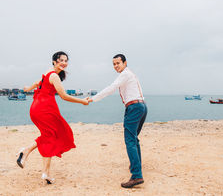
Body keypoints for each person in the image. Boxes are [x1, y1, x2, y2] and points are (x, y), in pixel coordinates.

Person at [17, 51, 89, 184]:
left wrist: (27, 89)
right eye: (61, 60)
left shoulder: (48, 72)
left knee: (49, 136)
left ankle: (45, 172)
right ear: (54, 61)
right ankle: (28, 153)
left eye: (66, 61)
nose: (64, 63)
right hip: (45, 110)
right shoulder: (54, 76)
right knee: (55, 134)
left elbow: (37, 82)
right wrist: (82, 101)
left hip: (36, 108)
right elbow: (64, 96)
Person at [88, 54, 147, 188]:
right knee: (134, 138)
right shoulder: (129, 74)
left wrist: (93, 98)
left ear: (125, 63)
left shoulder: (125, 74)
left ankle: (137, 175)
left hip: (134, 107)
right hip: (141, 106)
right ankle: (136, 165)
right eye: (114, 64)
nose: (116, 66)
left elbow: (111, 88)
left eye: (118, 63)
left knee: (130, 140)